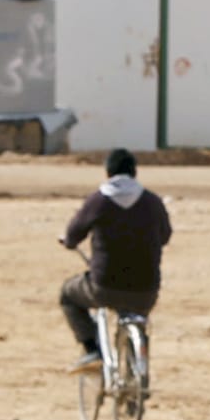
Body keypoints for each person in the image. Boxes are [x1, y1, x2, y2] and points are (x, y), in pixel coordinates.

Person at [58, 147, 172, 370]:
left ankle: (92, 350)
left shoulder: (99, 201)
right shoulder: (152, 202)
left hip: (104, 286)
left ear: (108, 173)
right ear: (134, 173)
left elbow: (74, 234)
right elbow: (165, 236)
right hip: (146, 290)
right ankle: (139, 371)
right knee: (138, 317)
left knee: (68, 294)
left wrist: (69, 242)